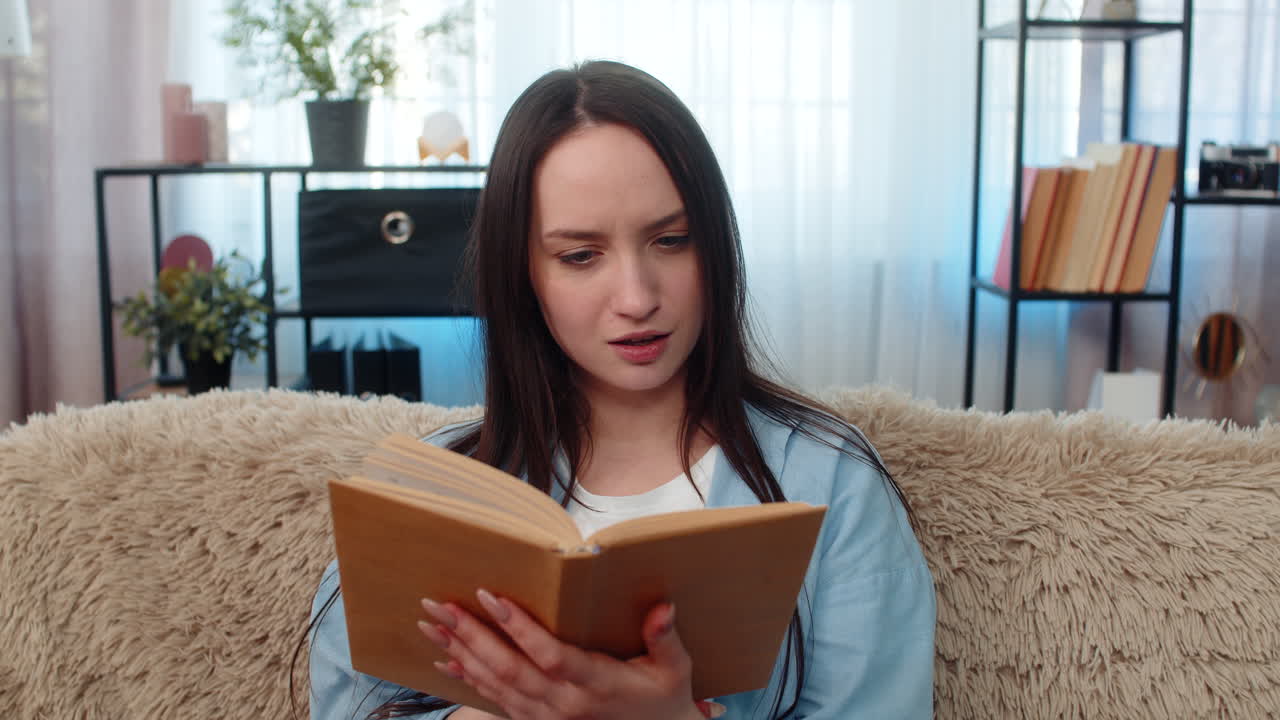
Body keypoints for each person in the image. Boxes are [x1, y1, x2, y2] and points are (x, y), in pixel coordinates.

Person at [307, 60, 935, 720]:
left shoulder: (832, 480)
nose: (638, 298)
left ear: (714, 246)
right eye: (580, 256)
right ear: (522, 274)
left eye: (671, 240)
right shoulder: (432, 492)